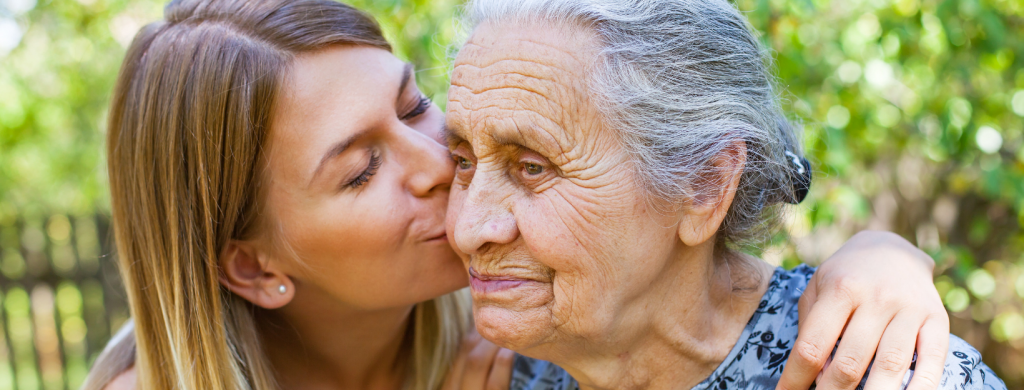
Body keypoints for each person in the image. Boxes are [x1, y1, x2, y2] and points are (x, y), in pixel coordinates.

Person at [84, 0, 952, 389]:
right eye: (358, 171)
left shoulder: (525, 326)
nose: (442, 168)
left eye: (417, 107)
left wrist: (884, 259)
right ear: (253, 266)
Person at [443, 0, 1005, 389]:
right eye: (464, 161)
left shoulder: (881, 369)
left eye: (534, 168)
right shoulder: (499, 368)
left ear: (704, 186)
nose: (468, 228)